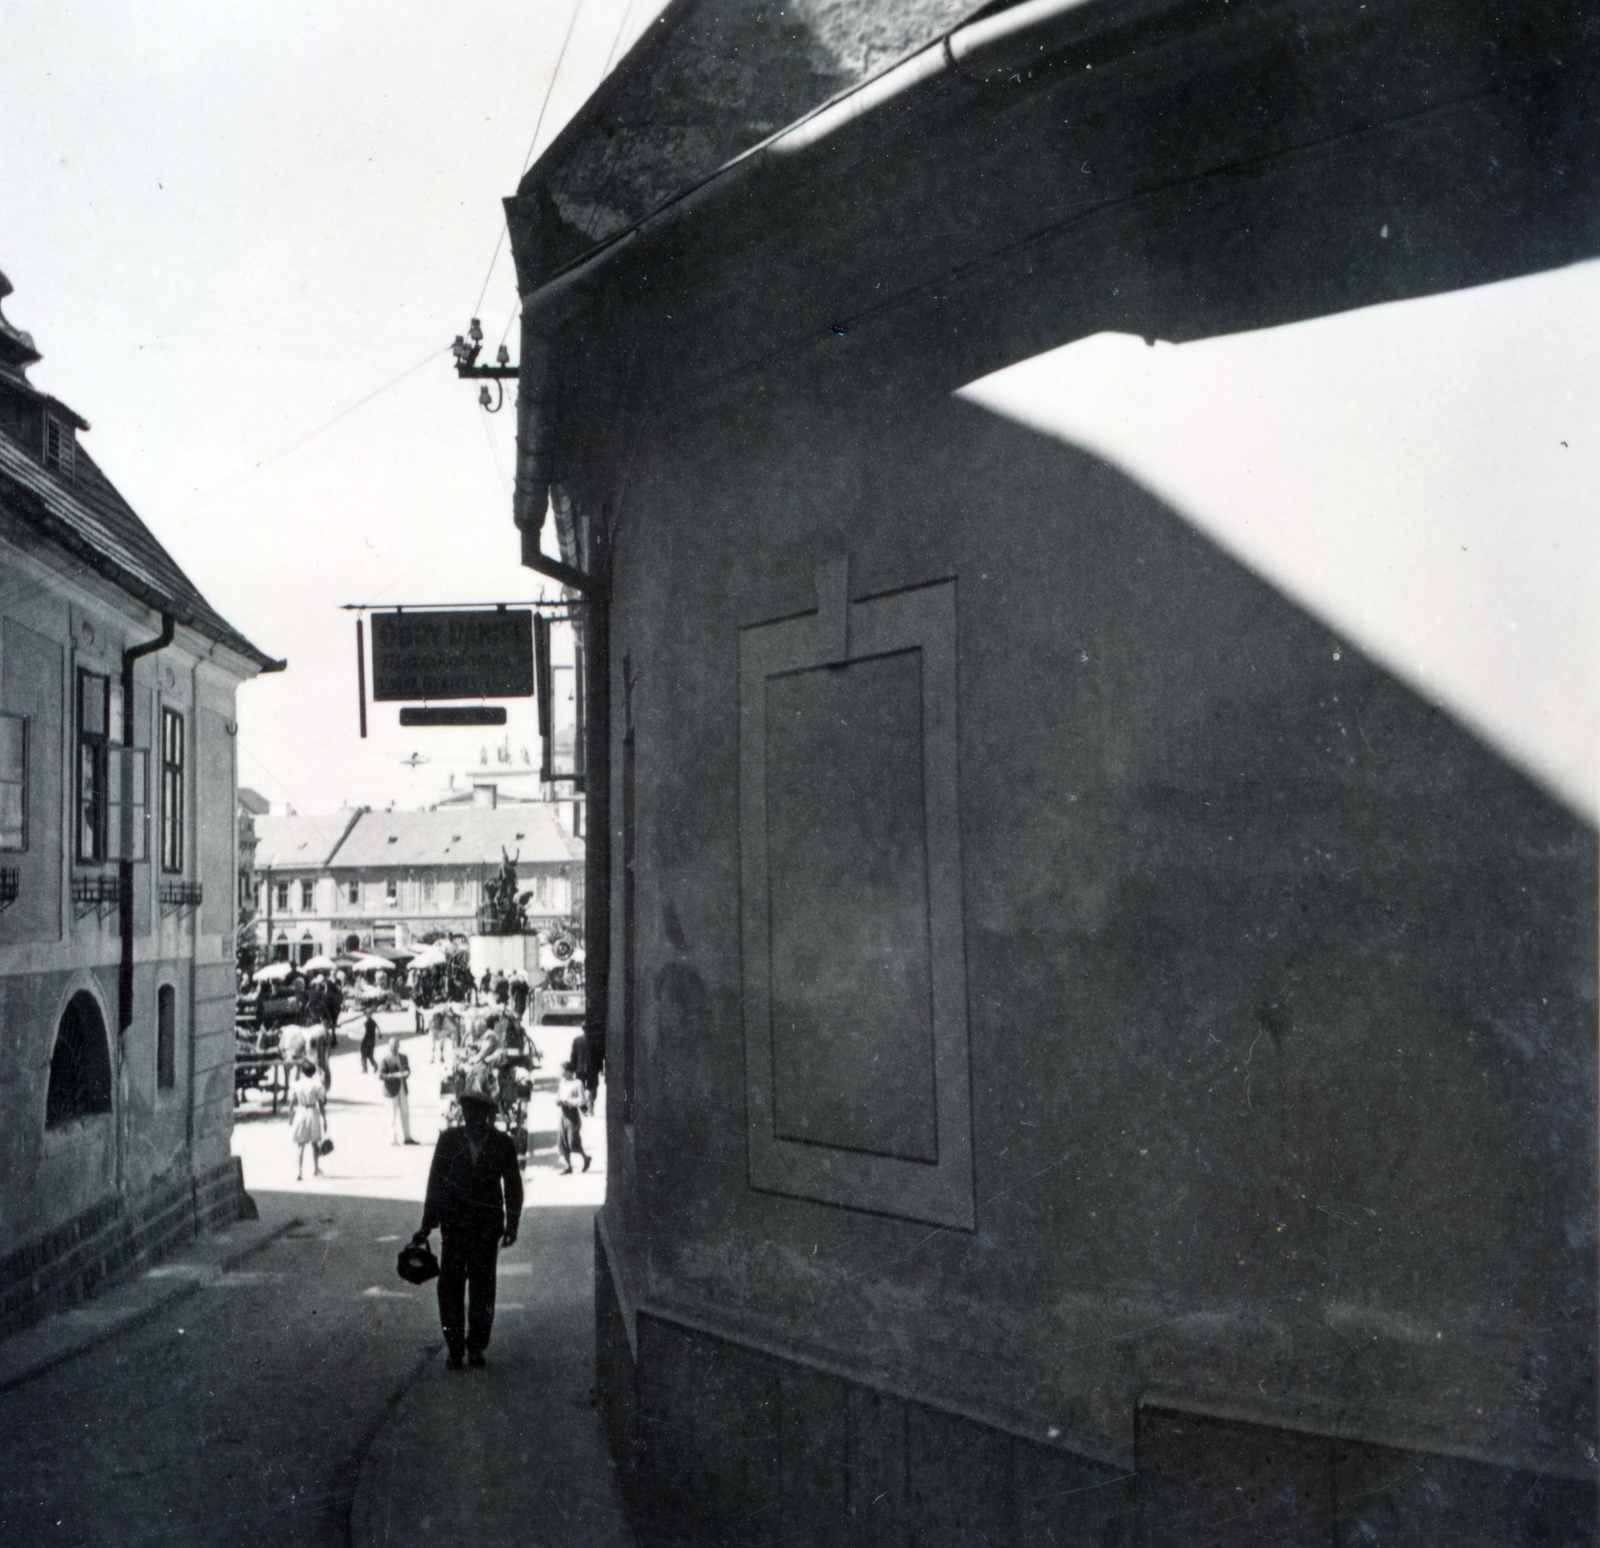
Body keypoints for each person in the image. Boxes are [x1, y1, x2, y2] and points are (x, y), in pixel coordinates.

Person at [413, 1076, 522, 1369]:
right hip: (454, 1226)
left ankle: (476, 1347)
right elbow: (435, 1182)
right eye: (466, 1113)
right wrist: (427, 1222)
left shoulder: (503, 1144)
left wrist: (512, 1225)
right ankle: (455, 1349)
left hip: (487, 1229)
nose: (471, 1119)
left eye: (477, 1114)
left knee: (483, 1289)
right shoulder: (449, 1140)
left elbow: (513, 1186)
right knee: (449, 1288)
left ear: (488, 1116)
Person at [289, 1058, 326, 1180]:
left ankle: (298, 1172)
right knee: (315, 1143)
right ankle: (316, 1168)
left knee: (301, 1144)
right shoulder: (317, 1084)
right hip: (312, 1111)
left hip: (300, 1111)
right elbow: (321, 1103)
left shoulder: (296, 1084)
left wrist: (290, 1116)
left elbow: (291, 1102)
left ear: (303, 1071)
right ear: (313, 1072)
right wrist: (324, 1119)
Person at [380, 1035, 417, 1145]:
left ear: (398, 1046)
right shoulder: (385, 1060)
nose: (393, 1047)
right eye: (391, 1046)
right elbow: (381, 1075)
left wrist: (406, 1073)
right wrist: (395, 1076)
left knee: (405, 1113)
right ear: (388, 1046)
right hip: (391, 1091)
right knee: (392, 1115)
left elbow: (407, 1069)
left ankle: (408, 1137)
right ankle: (393, 1139)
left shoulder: (403, 1057)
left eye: (395, 1045)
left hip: (402, 1089)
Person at [556, 1061, 590, 1174]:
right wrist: (559, 1101)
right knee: (561, 1142)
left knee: (572, 1142)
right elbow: (560, 1096)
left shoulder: (577, 1083)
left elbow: (582, 1101)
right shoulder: (562, 1083)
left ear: (569, 1071)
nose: (561, 1072)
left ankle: (586, 1158)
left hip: (572, 1115)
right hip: (563, 1115)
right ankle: (568, 1166)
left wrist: (568, 1102)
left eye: (563, 1070)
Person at [569, 1030, 593, 1115]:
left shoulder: (577, 1040)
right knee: (591, 1089)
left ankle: (585, 1111)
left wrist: (572, 1068)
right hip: (592, 1069)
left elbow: (573, 1055)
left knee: (580, 1090)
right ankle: (590, 1109)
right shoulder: (594, 1040)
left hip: (579, 1069)